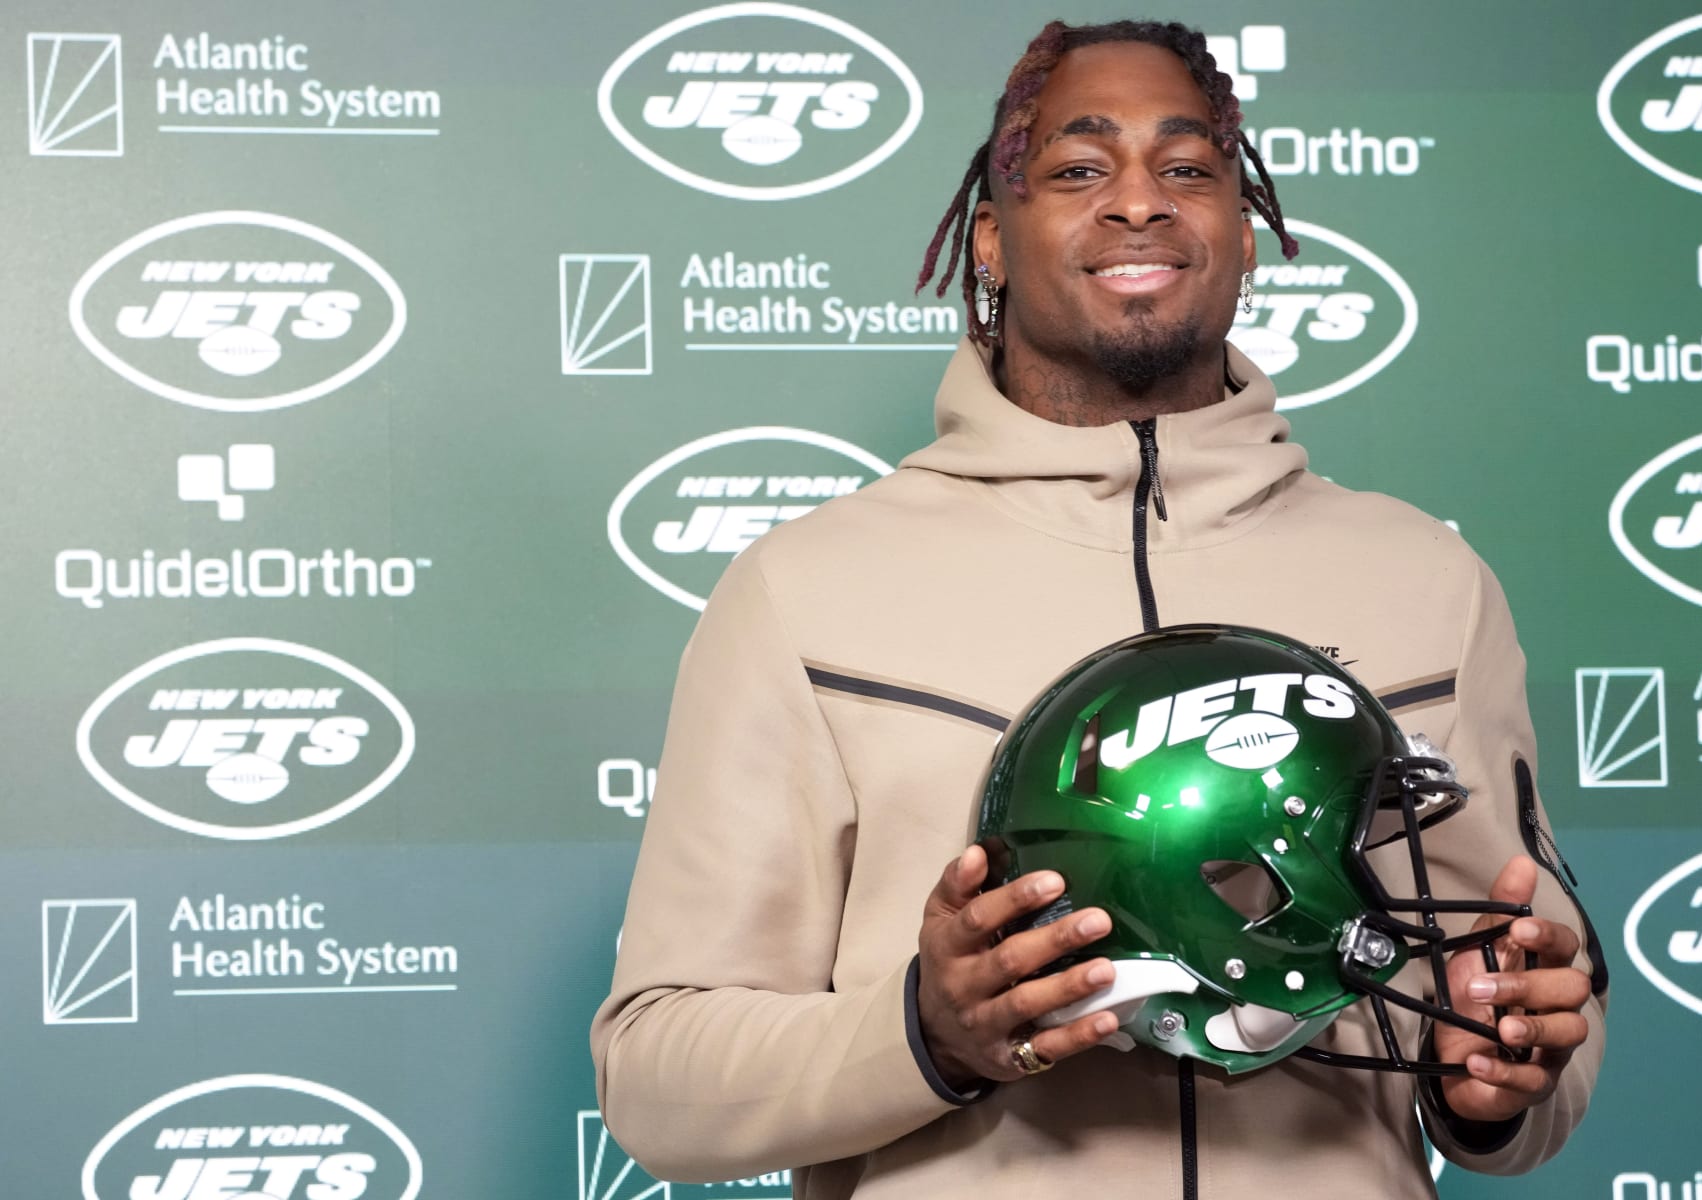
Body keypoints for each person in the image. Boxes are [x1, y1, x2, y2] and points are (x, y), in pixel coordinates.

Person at [592, 19, 1605, 1199]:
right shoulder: (807, 590)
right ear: (991, 238)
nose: (1140, 204)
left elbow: (1526, 1001)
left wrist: (1497, 1083)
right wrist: (926, 1031)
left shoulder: (1429, 580)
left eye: (1189, 169)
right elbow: (657, 1082)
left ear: (1245, 230)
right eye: (1079, 170)